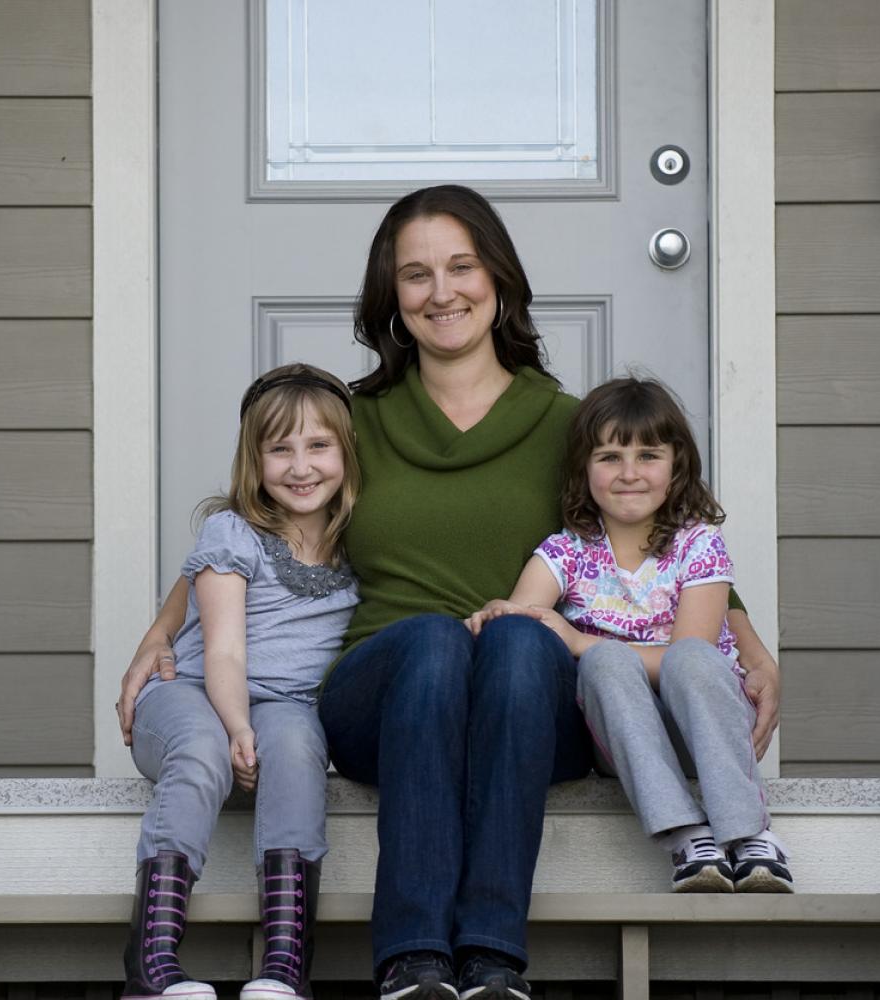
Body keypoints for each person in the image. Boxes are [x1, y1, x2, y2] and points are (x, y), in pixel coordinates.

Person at [118, 186, 784, 1000]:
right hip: (385, 693)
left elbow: (660, 535)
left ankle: (493, 958)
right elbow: (251, 531)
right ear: (391, 298)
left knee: (513, 637)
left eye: (462, 267)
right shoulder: (352, 423)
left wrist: (743, 643)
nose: (442, 292)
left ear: (498, 279)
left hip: (531, 701)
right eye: (416, 274)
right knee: (437, 638)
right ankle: (412, 959)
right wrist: (162, 629)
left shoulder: (568, 426)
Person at [469, 377, 792, 896]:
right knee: (605, 666)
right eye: (609, 457)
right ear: (583, 469)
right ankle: (689, 837)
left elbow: (690, 654)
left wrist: (577, 642)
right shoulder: (568, 551)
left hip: (705, 733)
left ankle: (751, 833)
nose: (629, 474)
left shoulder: (699, 545)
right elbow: (525, 614)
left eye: (648, 456)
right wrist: (497, 612)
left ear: (676, 465)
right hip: (622, 740)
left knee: (679, 657)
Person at [119, 364, 361, 1000]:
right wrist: (235, 727)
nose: (300, 466)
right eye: (279, 448)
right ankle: (153, 958)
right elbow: (224, 651)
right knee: (201, 750)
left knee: (299, 744)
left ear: (347, 453)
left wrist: (258, 728)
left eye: (318, 446)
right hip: (189, 693)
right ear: (254, 460)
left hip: (283, 706)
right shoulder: (234, 533)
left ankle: (284, 963)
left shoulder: (360, 545)